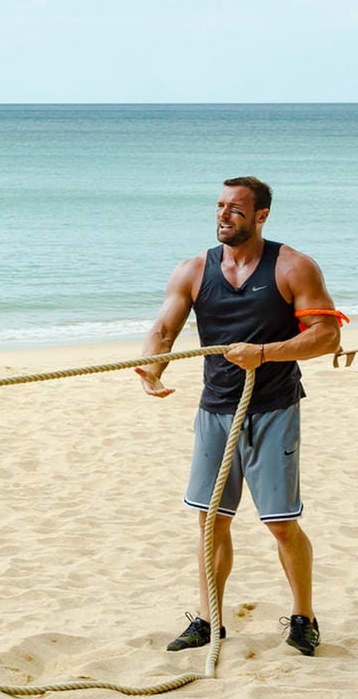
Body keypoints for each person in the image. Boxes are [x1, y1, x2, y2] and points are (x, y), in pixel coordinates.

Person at [135, 177, 342, 657]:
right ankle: (209, 622)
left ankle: (304, 618)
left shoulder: (293, 266)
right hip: (215, 409)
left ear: (262, 215)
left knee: (281, 523)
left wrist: (265, 353)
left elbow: (326, 336)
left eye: (236, 209)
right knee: (211, 521)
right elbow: (165, 327)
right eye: (219, 206)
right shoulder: (193, 269)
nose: (224, 215)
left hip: (273, 409)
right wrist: (152, 368)